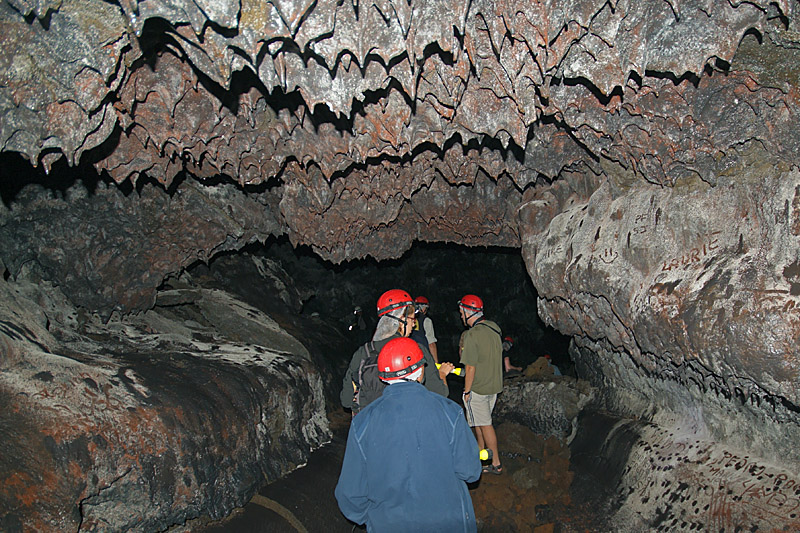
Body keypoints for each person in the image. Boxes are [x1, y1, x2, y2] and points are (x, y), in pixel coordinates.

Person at [335, 337, 482, 532]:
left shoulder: (362, 424)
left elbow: (350, 494)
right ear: (421, 372)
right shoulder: (450, 413)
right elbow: (471, 472)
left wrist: (373, 519)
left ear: (383, 377)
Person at [340, 289, 452, 414]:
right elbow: (440, 394)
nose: (414, 324)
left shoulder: (363, 352)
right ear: (401, 319)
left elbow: (346, 400)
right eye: (412, 319)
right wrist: (441, 373)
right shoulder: (416, 350)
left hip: (373, 428)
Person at [458, 294, 504, 475]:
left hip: (479, 387)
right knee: (480, 420)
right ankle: (480, 453)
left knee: (485, 424)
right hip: (494, 385)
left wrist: (467, 391)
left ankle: (496, 463)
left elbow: (470, 367)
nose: (461, 317)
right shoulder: (494, 329)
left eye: (462, 313)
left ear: (468, 312)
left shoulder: (472, 335)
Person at [413, 295, 439, 363]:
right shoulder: (426, 320)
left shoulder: (408, 318)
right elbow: (431, 344)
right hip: (422, 356)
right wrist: (436, 363)